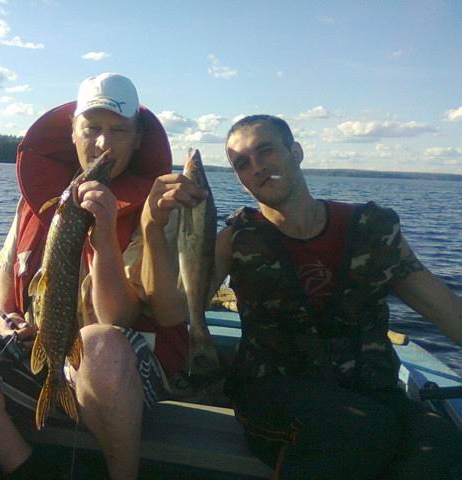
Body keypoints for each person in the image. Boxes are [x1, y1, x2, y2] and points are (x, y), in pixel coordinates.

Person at [146, 114, 462, 479]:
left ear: (296, 152)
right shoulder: (236, 240)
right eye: (242, 163)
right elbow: (171, 314)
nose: (256, 167)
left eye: (266, 150)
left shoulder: (371, 229)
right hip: (273, 392)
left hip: (373, 390)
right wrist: (153, 227)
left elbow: (444, 309)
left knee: (441, 441)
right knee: (359, 429)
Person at [0, 73, 189, 480]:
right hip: (44, 362)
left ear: (137, 139)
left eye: (118, 131)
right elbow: (8, 270)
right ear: (72, 132)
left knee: (99, 345)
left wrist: (104, 238)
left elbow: (118, 318)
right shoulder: (38, 200)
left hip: (122, 375)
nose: (103, 144)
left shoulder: (156, 210)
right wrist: (6, 320)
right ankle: (26, 469)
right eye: (92, 129)